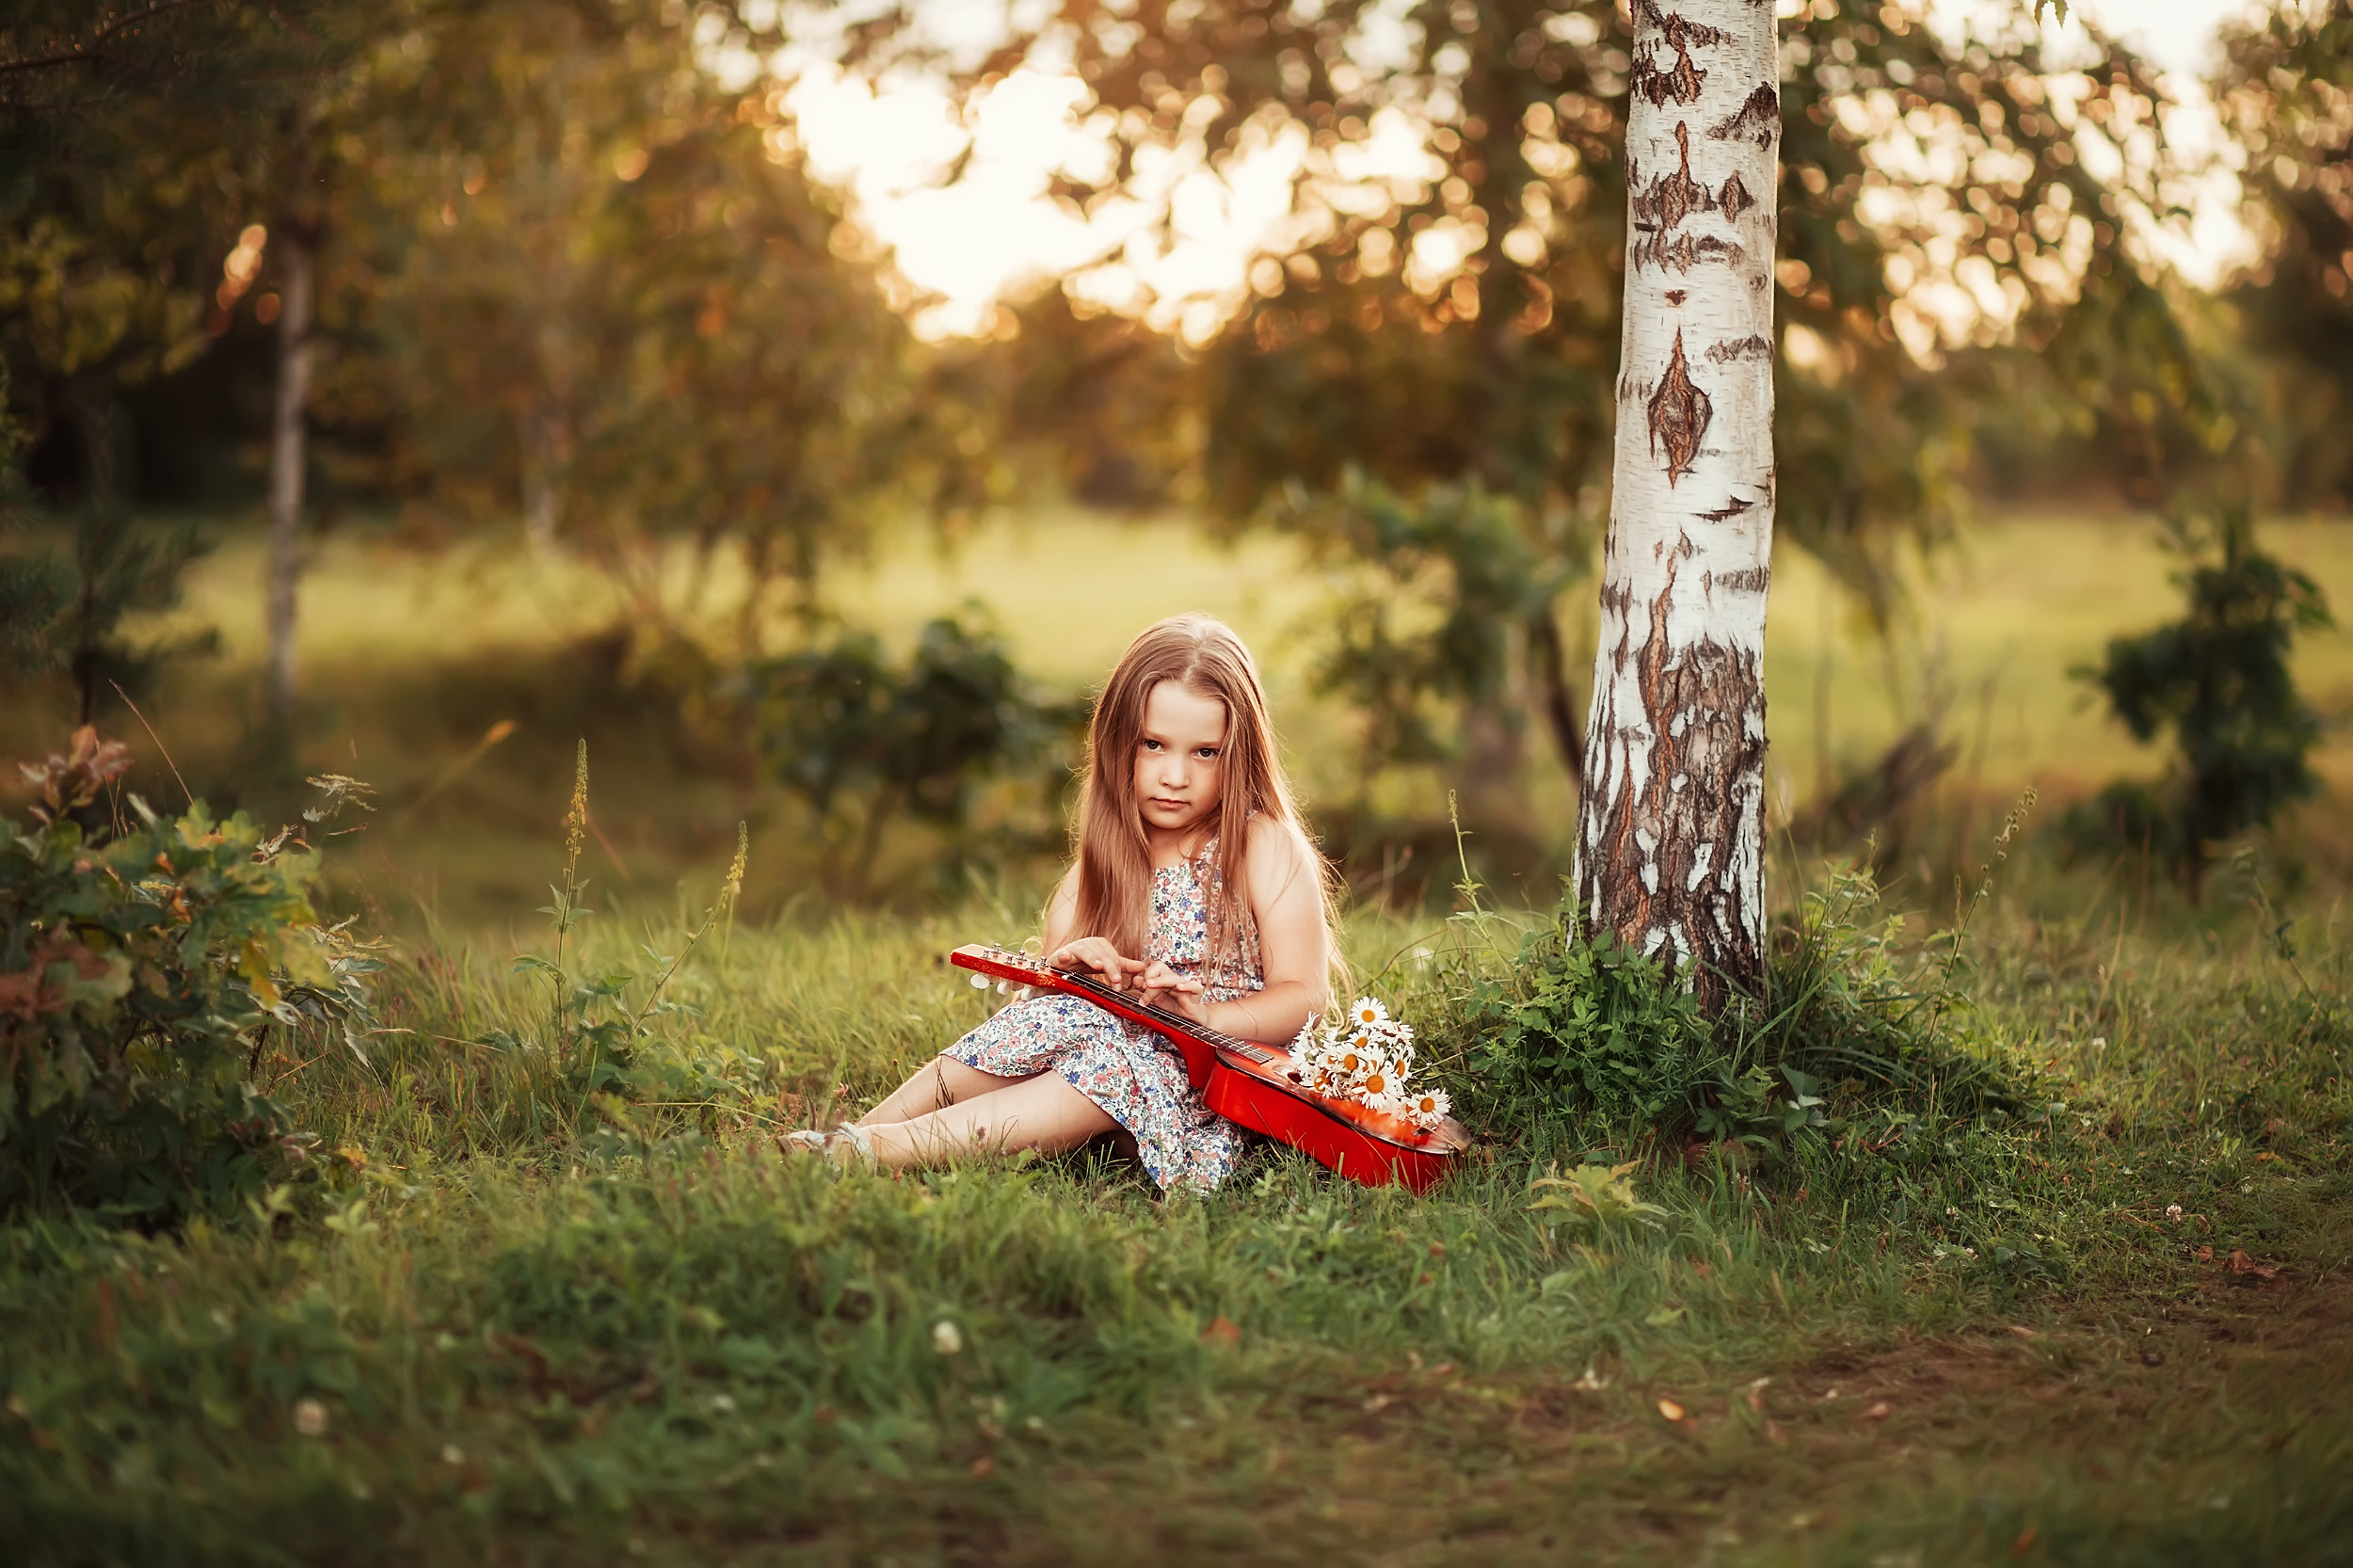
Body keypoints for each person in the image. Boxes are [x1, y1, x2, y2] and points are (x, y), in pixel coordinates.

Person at [788, 613, 1336, 1190]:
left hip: (1215, 1088)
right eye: (1153, 745)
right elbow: (1048, 1018)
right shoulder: (1100, 866)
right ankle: (843, 1141)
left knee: (1112, 1060)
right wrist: (1071, 971)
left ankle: (869, 1152)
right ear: (1117, 743)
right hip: (1099, 1084)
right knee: (1056, 1019)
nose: (1175, 775)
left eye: (1205, 753)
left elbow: (1304, 996)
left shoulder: (1259, 845)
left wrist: (1206, 1019)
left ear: (1240, 754)